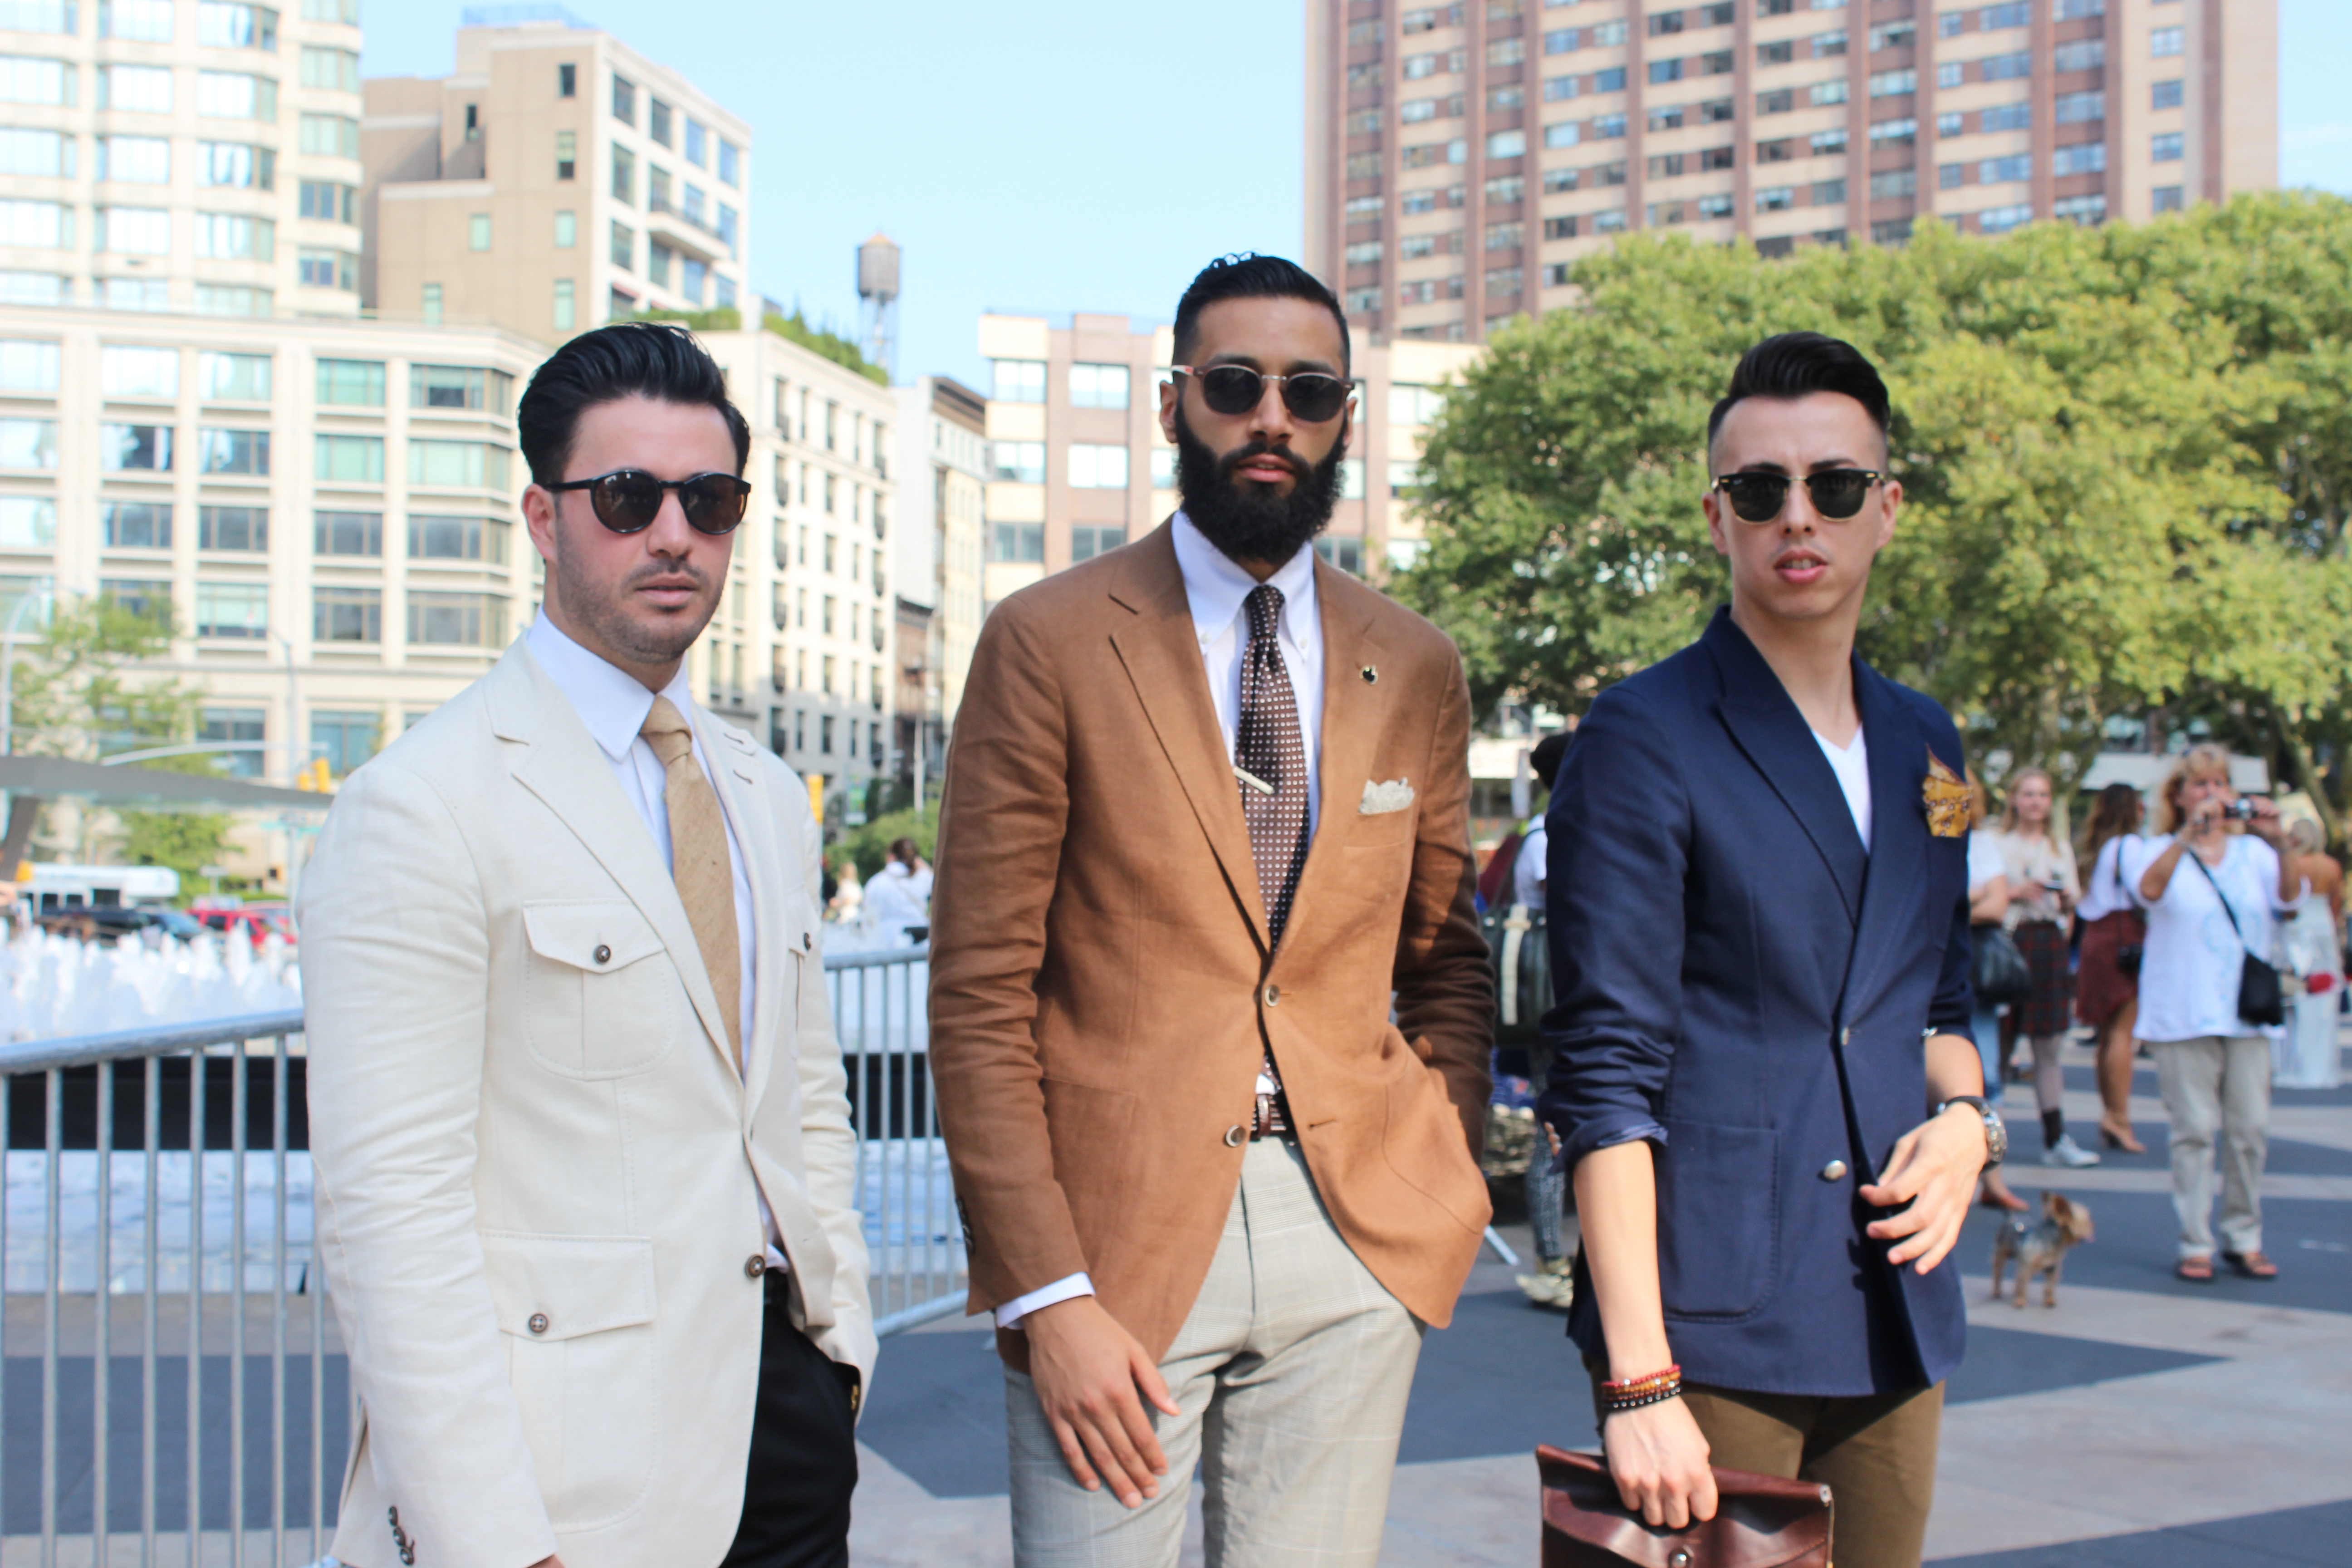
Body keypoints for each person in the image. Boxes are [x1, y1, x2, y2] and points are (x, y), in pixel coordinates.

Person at [928, 254, 1493, 1568]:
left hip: (1352, 1242)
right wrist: (1046, 1290)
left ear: (1347, 415)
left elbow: (1446, 959)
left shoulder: (1415, 662)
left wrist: (1441, 1165)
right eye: (1235, 385)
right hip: (1112, 1247)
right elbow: (979, 993)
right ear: (1172, 403)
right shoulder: (1048, 638)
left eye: (1309, 391)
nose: (1271, 419)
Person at [298, 323, 875, 1568]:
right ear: (543, 518)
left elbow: (800, 1097)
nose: (673, 534)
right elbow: (392, 1217)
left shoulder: (764, 793)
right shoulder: (421, 804)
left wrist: (843, 1341)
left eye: (709, 501)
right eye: (626, 497)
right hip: (569, 1480)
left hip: (788, 1427)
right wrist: (492, 1540)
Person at [1542, 333, 1994, 1568]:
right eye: (1760, 488)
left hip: (1894, 1304)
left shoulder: (1928, 740)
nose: (1799, 515)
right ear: (1717, 515)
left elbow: (1940, 1001)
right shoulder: (1643, 733)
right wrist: (1638, 1377)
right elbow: (1606, 1068)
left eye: (1834, 485)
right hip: (1710, 1322)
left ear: (1886, 508)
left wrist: (1970, 1126)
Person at [2131, 744, 2302, 1282]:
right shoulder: (2159, 849)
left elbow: (2291, 901)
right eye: (2200, 784)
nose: (2212, 793)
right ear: (2179, 796)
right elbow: (2148, 892)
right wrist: (2187, 836)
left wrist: (2279, 841)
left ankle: (2244, 1235)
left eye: (2220, 783)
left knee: (2250, 1129)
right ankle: (2195, 1242)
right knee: (2194, 1131)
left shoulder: (2255, 853)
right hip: (2182, 1012)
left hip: (2246, 1012)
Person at [1994, 769, 2094, 1167]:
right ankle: (1989, 1141)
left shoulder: (2059, 848)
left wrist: (2065, 898)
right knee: (2000, 1044)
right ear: (2015, 799)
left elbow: (2074, 902)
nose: (2036, 802)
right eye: (2029, 794)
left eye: (2043, 795)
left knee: (2049, 1047)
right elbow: (1982, 894)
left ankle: (2056, 1139)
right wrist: (2017, 892)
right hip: (2009, 942)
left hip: (2049, 942)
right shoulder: (1999, 844)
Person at [1511, 729, 1577, 1308]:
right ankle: (1551, 1259)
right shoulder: (1549, 837)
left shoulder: (1556, 829)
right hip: (1554, 1002)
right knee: (1551, 1131)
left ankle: (1560, 1258)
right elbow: (1579, 903)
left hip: (1566, 999)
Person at [2075, 782, 2151, 1151]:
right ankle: (2119, 1117)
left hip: (2096, 936)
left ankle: (2111, 1112)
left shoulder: (2096, 847)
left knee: (2107, 1035)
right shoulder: (2131, 846)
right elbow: (2145, 892)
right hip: (2124, 937)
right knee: (2123, 1032)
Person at [1966, 770, 2026, 1211]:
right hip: (1920, 969)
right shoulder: (1909, 834)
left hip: (1972, 974)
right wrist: (1971, 896)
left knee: (1986, 1077)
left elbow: (1997, 905)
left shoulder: (1981, 843)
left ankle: (1993, 1178)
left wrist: (1951, 905)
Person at [2272, 818, 2341, 1088]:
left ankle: (2294, 1064)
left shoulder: (2294, 864)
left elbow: (2286, 900)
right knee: (2324, 1000)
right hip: (2323, 929)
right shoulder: (2332, 866)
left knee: (2295, 996)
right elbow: (2335, 906)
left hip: (2299, 929)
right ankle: (2320, 1067)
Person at [862, 837, 932, 940]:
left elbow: (867, 912)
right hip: (923, 936)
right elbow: (940, 889)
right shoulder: (924, 877)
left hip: (890, 939)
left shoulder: (876, 882)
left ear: (891, 857)